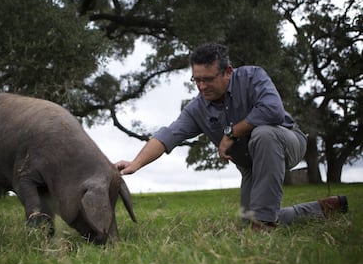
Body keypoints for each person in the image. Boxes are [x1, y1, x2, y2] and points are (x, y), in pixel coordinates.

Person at [115, 43, 348, 230]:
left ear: (228, 71)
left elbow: (272, 110)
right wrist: (135, 164)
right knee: (248, 222)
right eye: (196, 80)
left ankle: (264, 223)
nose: (202, 87)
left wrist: (231, 133)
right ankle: (320, 209)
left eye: (208, 79)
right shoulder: (198, 109)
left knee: (263, 134)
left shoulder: (253, 76)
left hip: (286, 142)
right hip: (250, 166)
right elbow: (168, 135)